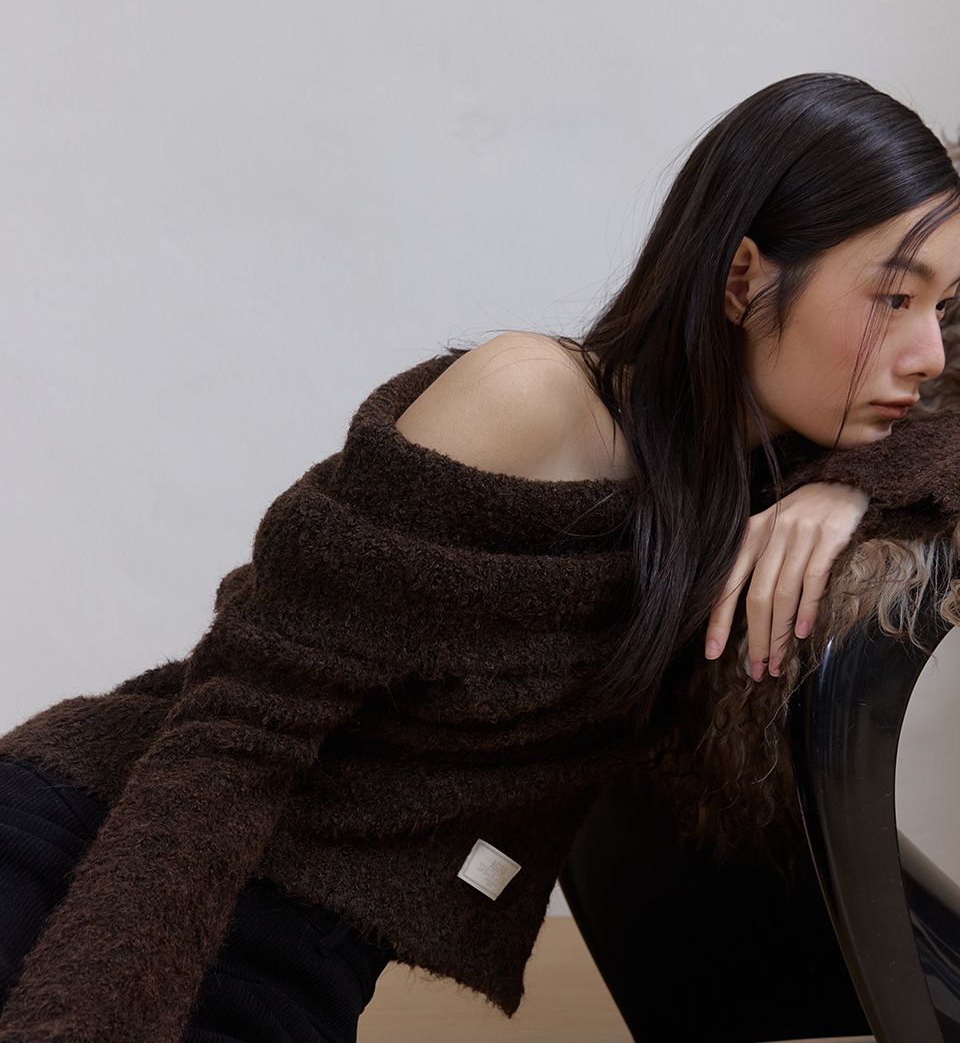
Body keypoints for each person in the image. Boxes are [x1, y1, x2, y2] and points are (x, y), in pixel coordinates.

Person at [2, 70, 960, 1042]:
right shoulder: (531, 399)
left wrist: (855, 487)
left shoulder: (779, 477)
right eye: (893, 297)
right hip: (111, 852)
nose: (926, 352)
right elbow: (238, 729)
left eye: (944, 306)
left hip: (305, 939)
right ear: (743, 277)